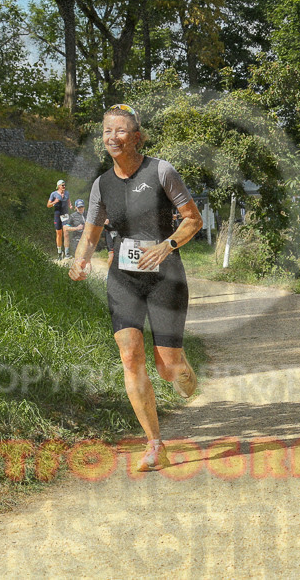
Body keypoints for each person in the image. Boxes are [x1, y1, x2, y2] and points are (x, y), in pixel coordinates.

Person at [69, 104, 203, 471]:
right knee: (130, 356)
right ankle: (155, 444)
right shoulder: (102, 185)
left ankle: (180, 365)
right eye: (106, 131)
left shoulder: (161, 171)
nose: (112, 137)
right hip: (124, 278)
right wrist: (80, 260)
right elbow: (92, 232)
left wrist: (167, 245)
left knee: (168, 368)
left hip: (166, 276)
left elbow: (193, 219)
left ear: (137, 136)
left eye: (121, 131)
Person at [47, 179, 71, 258]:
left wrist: (70, 205)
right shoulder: (53, 194)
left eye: (64, 185)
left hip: (65, 214)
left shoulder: (67, 193)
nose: (64, 186)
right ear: (58, 186)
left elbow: (68, 200)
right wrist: (54, 202)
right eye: (62, 185)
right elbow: (48, 205)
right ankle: (59, 253)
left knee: (66, 232)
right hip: (57, 214)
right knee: (59, 233)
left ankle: (67, 253)